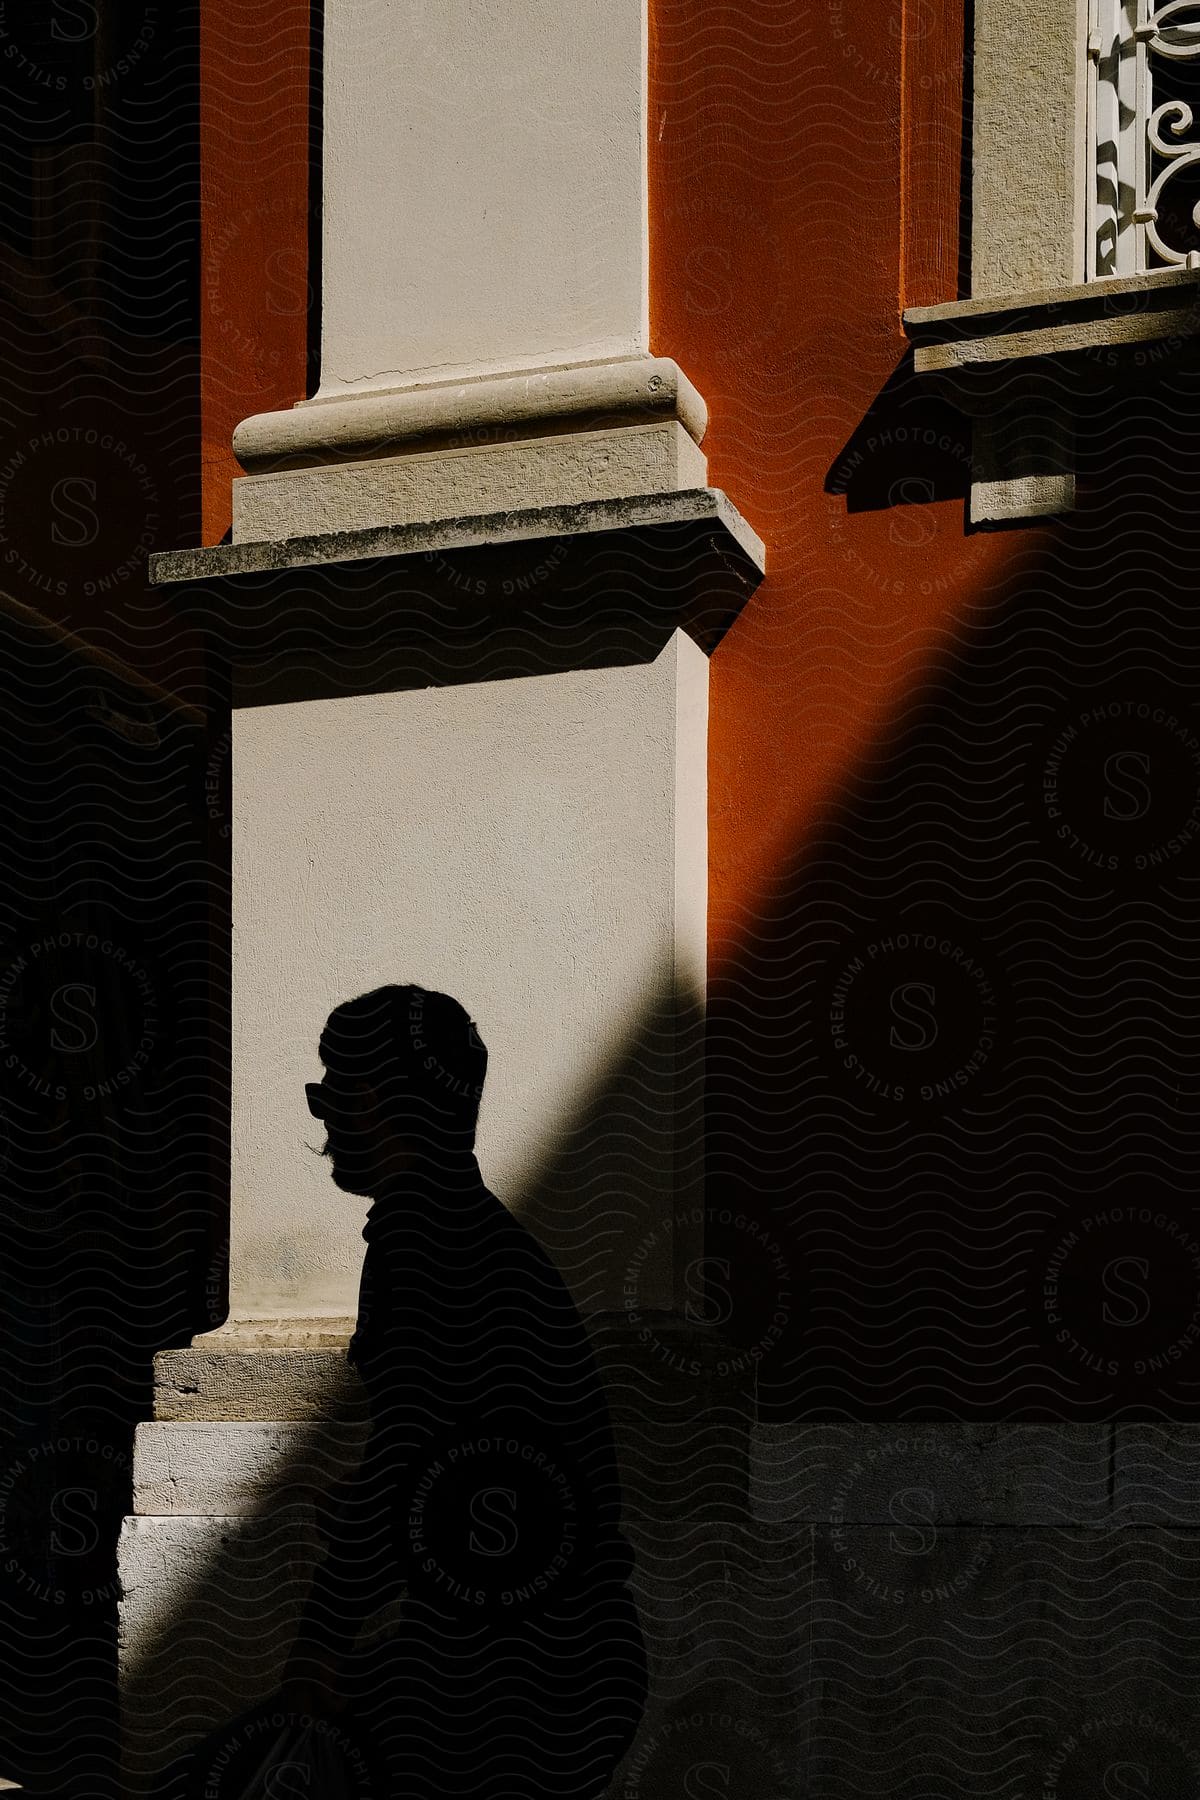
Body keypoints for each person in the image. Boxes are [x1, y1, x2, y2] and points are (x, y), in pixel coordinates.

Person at [283, 984, 647, 1798]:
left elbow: (408, 1447)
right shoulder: (478, 1232)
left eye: (327, 1092)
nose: (323, 1122)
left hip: (508, 1671)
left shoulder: (418, 1240)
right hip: (560, 1659)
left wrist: (321, 1636)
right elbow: (450, 1455)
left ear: (367, 1103)